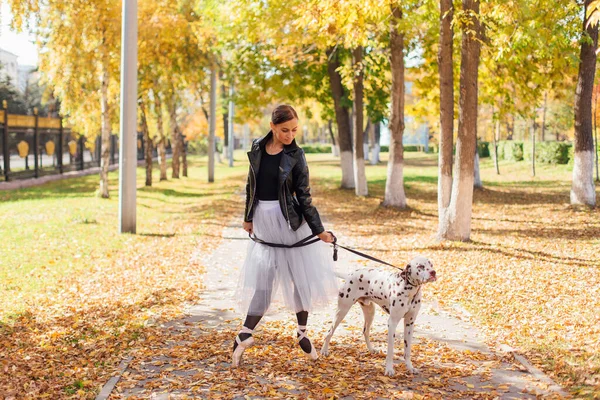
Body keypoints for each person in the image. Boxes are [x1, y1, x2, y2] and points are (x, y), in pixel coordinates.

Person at [232, 104, 338, 367]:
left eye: (294, 130)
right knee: (264, 281)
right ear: (272, 127)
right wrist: (247, 217)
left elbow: (304, 196)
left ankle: (302, 333)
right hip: (263, 219)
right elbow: (251, 185)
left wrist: (319, 231)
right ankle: (244, 334)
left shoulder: (296, 155)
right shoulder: (257, 148)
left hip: (289, 221)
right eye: (284, 130)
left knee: (298, 278)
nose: (290, 135)